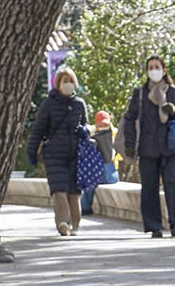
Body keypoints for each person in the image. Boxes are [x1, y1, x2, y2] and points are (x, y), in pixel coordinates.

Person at [121, 55, 175, 238]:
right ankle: (154, 226)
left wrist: (174, 110)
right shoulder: (140, 93)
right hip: (147, 148)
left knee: (171, 185)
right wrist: (129, 144)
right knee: (149, 188)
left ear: (164, 69)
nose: (154, 70)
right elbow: (130, 118)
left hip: (169, 147)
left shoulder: (174, 91)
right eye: (150, 67)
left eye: (157, 66)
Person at [26, 69, 89, 236]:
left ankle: (75, 224)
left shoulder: (79, 104)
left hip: (76, 154)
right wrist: (32, 152)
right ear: (58, 84)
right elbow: (38, 130)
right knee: (59, 190)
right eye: (64, 81)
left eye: (70, 80)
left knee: (74, 192)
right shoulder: (49, 104)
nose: (67, 84)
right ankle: (62, 222)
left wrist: (85, 131)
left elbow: (86, 125)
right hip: (54, 154)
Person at [82, 111, 117, 218]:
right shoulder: (90, 133)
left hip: (110, 169)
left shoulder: (115, 133)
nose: (103, 127)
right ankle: (85, 208)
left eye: (105, 124)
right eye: (101, 125)